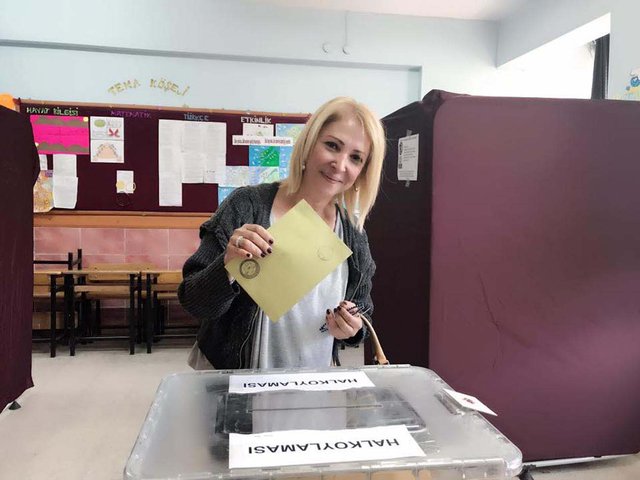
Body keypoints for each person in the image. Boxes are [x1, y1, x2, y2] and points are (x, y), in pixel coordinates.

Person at [178, 97, 386, 369]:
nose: (340, 164)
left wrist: (352, 327)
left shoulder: (353, 236)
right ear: (309, 144)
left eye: (356, 158)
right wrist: (227, 266)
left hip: (311, 382)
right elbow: (193, 302)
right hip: (233, 379)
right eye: (332, 146)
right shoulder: (247, 206)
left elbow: (362, 309)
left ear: (363, 172)